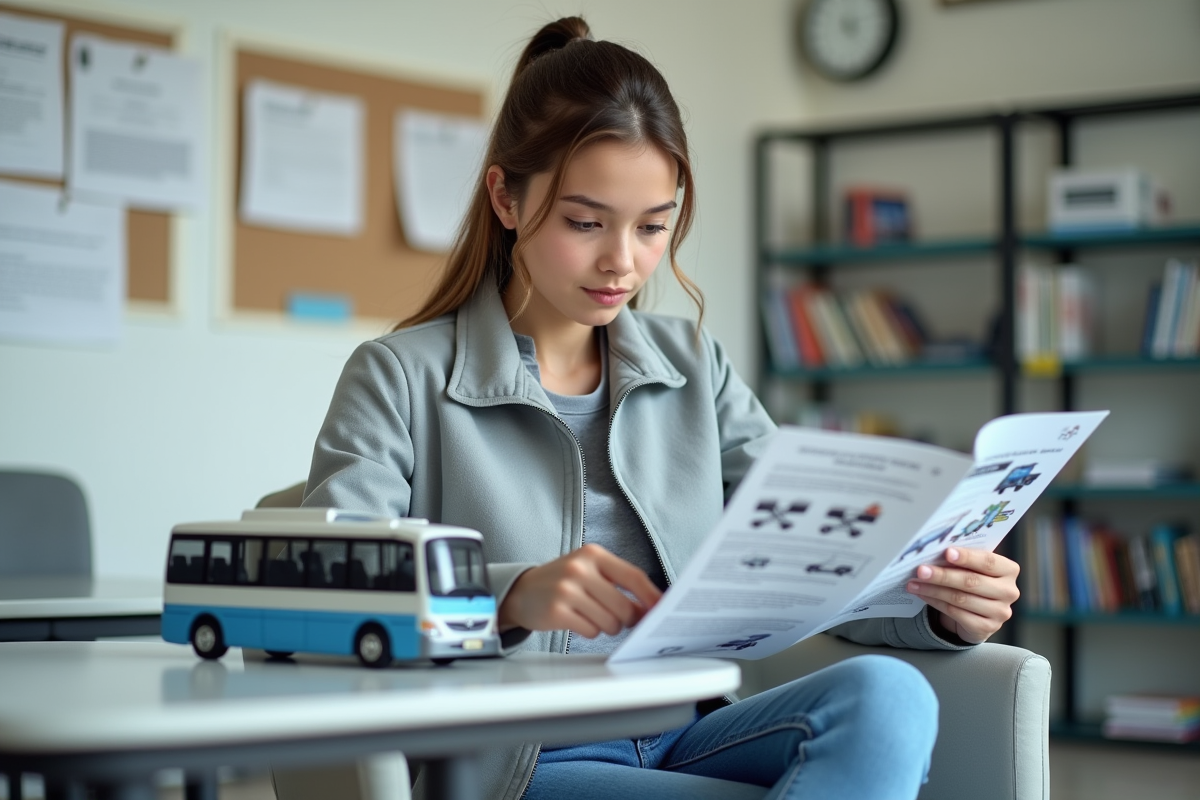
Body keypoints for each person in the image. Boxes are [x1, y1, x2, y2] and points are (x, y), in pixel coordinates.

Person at [302, 16, 1021, 800]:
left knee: (889, 697)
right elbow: (329, 597)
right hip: (524, 759)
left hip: (691, 732)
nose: (623, 261)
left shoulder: (693, 365)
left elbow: (812, 564)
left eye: (653, 226)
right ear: (506, 197)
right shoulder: (398, 377)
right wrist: (510, 596)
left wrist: (937, 606)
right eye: (585, 223)